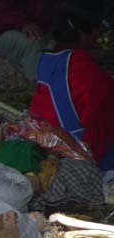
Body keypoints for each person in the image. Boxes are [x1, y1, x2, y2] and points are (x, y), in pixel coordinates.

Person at [29, 7, 114, 169]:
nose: (96, 39)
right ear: (82, 34)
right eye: (94, 33)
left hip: (45, 145)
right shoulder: (82, 65)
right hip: (82, 155)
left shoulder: (46, 60)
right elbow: (102, 119)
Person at [0, 0, 60, 80]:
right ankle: (41, 87)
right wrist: (23, 24)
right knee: (33, 42)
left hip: (43, 30)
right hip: (7, 31)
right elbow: (1, 12)